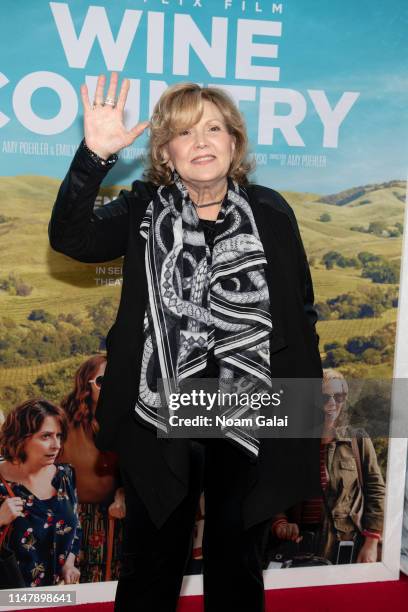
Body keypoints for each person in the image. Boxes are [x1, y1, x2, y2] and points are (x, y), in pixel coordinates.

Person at [49, 72, 323, 611]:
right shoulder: (142, 210)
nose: (201, 141)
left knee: (238, 563)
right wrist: (94, 155)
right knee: (153, 565)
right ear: (166, 153)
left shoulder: (271, 213)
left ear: (234, 144)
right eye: (185, 133)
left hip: (247, 410)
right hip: (160, 414)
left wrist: (303, 409)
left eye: (214, 129)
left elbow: (300, 312)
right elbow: (70, 237)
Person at [270, 368, 385, 564]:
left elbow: (376, 492)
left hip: (345, 546)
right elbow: (272, 491)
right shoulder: (290, 443)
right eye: (324, 397)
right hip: (298, 548)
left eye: (339, 397)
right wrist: (280, 522)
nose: (332, 404)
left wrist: (371, 543)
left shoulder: (358, 440)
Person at [0, 399, 81, 587]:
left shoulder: (65, 475)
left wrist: (69, 565)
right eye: (46, 437)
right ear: (21, 437)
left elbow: (76, 527)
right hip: (11, 599)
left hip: (55, 597)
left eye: (59, 436)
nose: (56, 445)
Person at [60, 355, 125, 583]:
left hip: (117, 519)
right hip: (74, 520)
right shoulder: (63, 423)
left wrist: (122, 493)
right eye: (101, 381)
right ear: (84, 385)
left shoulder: (128, 421)